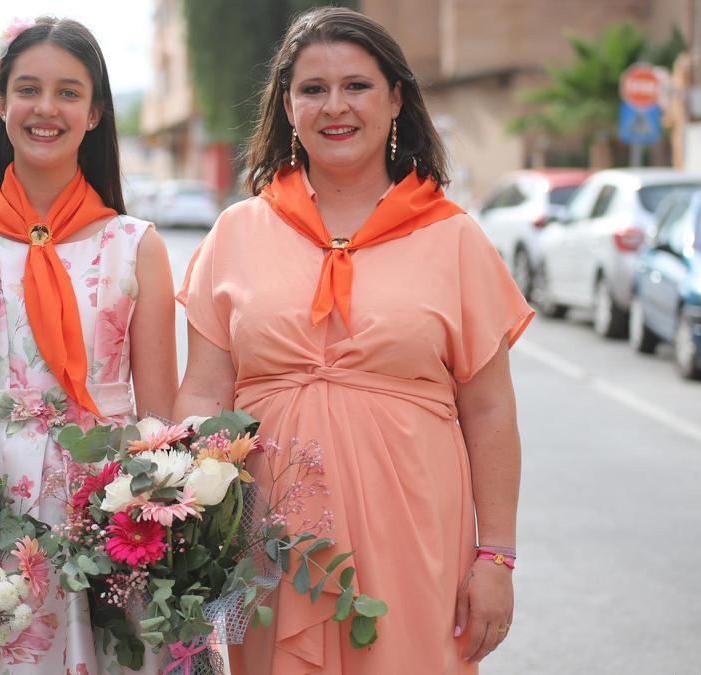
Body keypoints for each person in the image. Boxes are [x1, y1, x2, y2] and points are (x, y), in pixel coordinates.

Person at [174, 7, 531, 674]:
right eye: (313, 89)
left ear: (396, 98)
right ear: (287, 106)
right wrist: (182, 517)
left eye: (357, 86)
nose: (334, 106)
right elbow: (203, 387)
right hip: (265, 537)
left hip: (417, 533)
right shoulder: (235, 233)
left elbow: (489, 409)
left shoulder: (454, 238)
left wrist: (497, 557)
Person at [0, 16, 176, 674]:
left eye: (69, 92)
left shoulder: (138, 245)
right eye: (28, 89)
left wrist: (169, 521)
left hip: (109, 510)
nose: (46, 108)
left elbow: (161, 419)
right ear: (0, 105)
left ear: (96, 111)